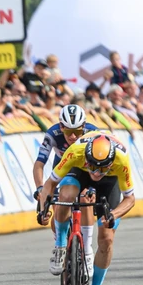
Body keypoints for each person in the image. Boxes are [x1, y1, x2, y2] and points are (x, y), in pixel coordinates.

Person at [37, 132, 136, 285]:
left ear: (111, 162)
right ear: (86, 157)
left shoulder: (121, 159)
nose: (97, 173)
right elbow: (50, 184)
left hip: (110, 182)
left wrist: (113, 215)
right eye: (93, 166)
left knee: (107, 239)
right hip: (79, 172)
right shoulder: (76, 152)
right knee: (66, 196)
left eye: (102, 168)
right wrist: (43, 209)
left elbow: (130, 199)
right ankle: (60, 245)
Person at [33, 104, 99, 275]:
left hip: (86, 170)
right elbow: (39, 164)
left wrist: (92, 188)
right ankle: (60, 245)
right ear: (61, 126)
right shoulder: (53, 134)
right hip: (62, 168)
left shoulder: (93, 133)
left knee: (85, 198)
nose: (72, 136)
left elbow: (100, 166)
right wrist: (40, 188)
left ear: (83, 127)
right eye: (68, 131)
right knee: (57, 208)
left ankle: (87, 250)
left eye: (77, 131)